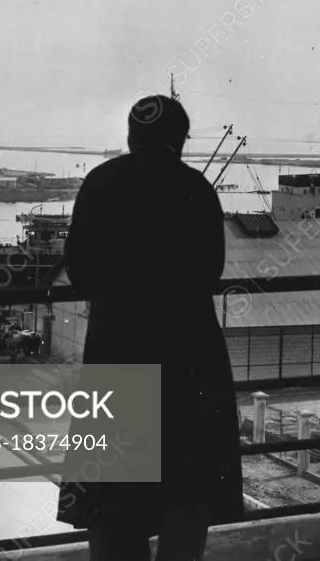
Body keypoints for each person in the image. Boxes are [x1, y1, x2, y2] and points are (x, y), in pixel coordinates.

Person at [56, 94, 242, 561]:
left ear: (130, 136)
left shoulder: (99, 183)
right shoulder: (198, 188)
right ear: (179, 141)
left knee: (110, 503)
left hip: (117, 357)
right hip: (190, 362)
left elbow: (78, 269)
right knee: (186, 496)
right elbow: (211, 270)